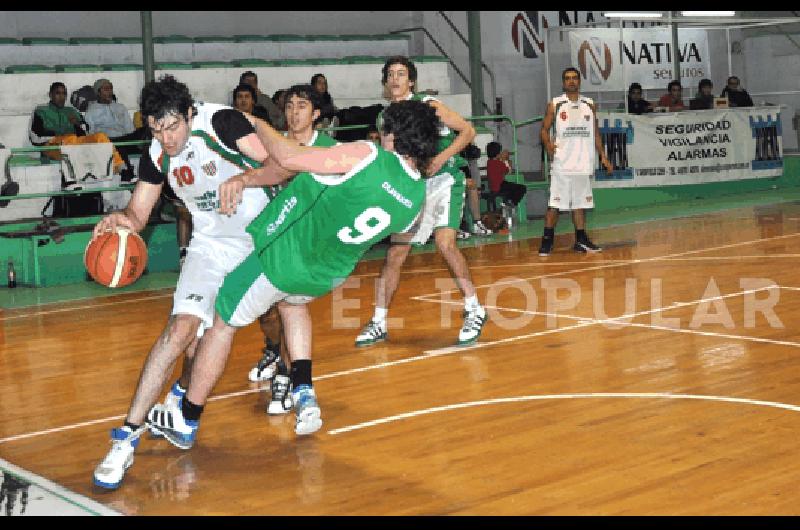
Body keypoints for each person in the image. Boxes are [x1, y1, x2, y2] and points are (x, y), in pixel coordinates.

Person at [145, 99, 440, 457]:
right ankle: (303, 390)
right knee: (291, 303)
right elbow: (402, 236)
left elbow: (288, 159)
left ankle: (187, 418)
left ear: (394, 136)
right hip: (328, 273)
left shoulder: (368, 154)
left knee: (221, 325)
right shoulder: (416, 196)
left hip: (282, 257)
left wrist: (255, 123)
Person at [91, 74, 290, 490]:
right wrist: (120, 222)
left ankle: (285, 372)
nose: (165, 138)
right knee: (181, 329)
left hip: (259, 243)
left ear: (189, 113)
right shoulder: (156, 153)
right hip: (209, 245)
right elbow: (138, 214)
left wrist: (242, 179)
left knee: (252, 321)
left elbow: (279, 167)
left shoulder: (222, 124)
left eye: (172, 126)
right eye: (155, 129)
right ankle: (127, 436)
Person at [354, 56, 487, 348]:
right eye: (390, 74)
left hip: (444, 181)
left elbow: (468, 131)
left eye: (401, 74)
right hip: (414, 187)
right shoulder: (384, 118)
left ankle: (475, 308)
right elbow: (389, 158)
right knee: (395, 255)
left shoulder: (429, 106)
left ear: (411, 81)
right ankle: (378, 321)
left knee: (445, 243)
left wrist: (440, 159)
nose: (395, 79)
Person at [248, 83, 338, 417]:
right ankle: (274, 351)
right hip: (271, 238)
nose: (293, 112)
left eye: (301, 106)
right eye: (289, 106)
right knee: (268, 313)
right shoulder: (272, 146)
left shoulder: (330, 150)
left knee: (288, 304)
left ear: (316, 114)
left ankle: (288, 377)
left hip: (309, 245)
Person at [538, 67, 613, 257]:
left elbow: (595, 131)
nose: (571, 81)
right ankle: (547, 240)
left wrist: (603, 155)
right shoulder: (555, 104)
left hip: (583, 163)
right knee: (555, 204)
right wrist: (548, 145)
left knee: (580, 204)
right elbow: (544, 130)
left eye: (574, 78)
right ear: (563, 83)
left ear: (579, 81)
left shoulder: (589, 104)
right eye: (567, 78)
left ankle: (581, 239)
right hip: (562, 163)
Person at [29, 81, 126, 173]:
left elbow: (85, 133)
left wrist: (77, 125)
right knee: (71, 139)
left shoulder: (72, 111)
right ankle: (68, 181)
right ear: (50, 95)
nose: (61, 97)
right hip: (51, 146)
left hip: (75, 145)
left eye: (64, 94)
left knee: (100, 137)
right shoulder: (40, 111)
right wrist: (59, 135)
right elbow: (35, 136)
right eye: (58, 93)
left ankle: (123, 170)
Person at [84, 78, 147, 182]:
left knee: (146, 130)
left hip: (124, 139)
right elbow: (91, 133)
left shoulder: (120, 107)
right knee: (117, 144)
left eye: (111, 88)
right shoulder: (92, 110)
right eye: (106, 89)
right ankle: (127, 173)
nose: (110, 91)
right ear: (98, 92)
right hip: (107, 142)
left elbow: (130, 129)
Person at [486, 141, 526, 209]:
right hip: (500, 186)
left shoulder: (489, 162)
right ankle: (511, 204)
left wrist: (502, 159)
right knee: (522, 188)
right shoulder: (499, 163)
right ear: (498, 154)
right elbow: (508, 170)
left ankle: (507, 202)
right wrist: (505, 159)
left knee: (511, 188)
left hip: (492, 187)